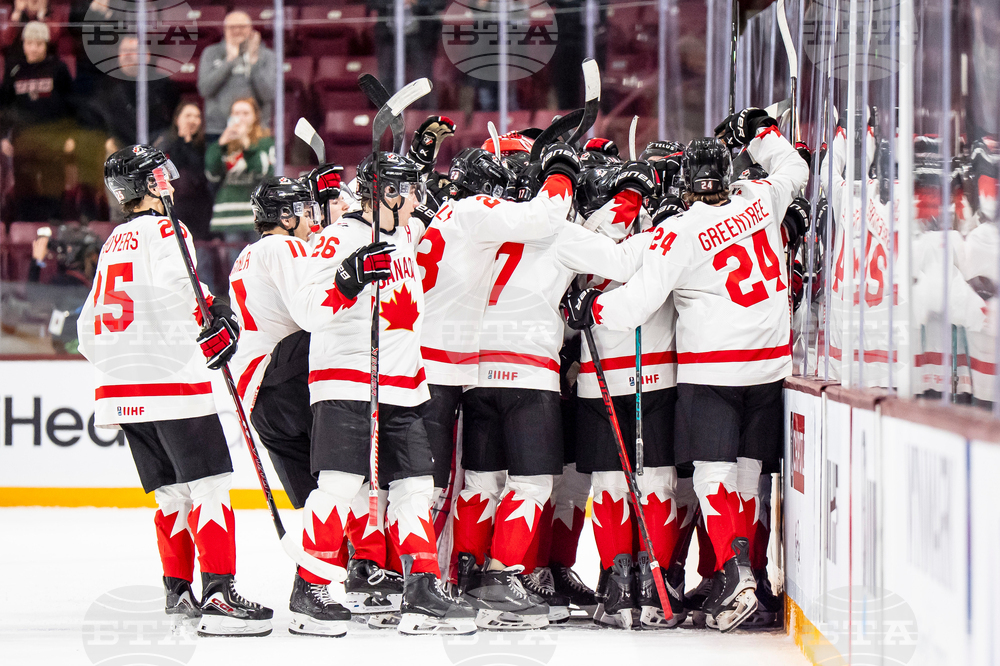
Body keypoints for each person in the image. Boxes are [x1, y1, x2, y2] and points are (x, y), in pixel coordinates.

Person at [562, 108, 809, 632]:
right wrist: (761, 133)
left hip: (712, 371)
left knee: (713, 478)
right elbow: (795, 169)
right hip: (770, 367)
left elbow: (635, 305)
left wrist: (590, 308)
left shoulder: (680, 230)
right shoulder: (760, 198)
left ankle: (735, 574)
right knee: (750, 477)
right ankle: (747, 579)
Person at [76, 144, 272, 636]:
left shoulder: (112, 242)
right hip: (171, 382)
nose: (170, 184)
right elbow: (179, 290)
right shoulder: (169, 229)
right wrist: (212, 313)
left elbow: (86, 328)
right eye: (158, 178)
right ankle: (220, 593)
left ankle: (178, 589)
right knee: (210, 486)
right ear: (140, 188)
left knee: (169, 495)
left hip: (121, 392)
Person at [291, 151, 477, 636]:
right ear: (388, 194)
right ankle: (308, 588)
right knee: (339, 486)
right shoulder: (337, 238)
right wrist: (349, 279)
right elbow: (308, 309)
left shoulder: (404, 234)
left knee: (416, 488)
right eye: (408, 189)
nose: (417, 198)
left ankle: (421, 589)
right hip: (348, 381)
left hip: (404, 385)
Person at [0, 21, 74, 221]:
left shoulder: (58, 68)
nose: (33, 48)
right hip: (23, 138)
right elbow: (4, 105)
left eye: (38, 44)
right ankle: (26, 225)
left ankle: (54, 224)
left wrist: (70, 136)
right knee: (24, 186)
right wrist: (3, 137)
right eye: (29, 43)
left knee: (53, 183)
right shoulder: (14, 69)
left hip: (53, 136)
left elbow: (71, 103)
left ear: (46, 44)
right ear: (23, 44)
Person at [90, 36, 178, 154]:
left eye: (133, 51)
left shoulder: (162, 84)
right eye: (124, 51)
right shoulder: (106, 86)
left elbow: (172, 120)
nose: (127, 55)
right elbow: (97, 119)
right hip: (118, 151)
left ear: (146, 56)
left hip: (155, 149)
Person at [197, 10, 275, 142]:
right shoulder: (211, 53)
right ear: (224, 30)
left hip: (257, 131)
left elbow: (268, 94)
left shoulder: (266, 56)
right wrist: (230, 62)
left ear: (251, 29)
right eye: (232, 27)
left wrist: (253, 63)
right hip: (218, 130)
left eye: (242, 27)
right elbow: (204, 89)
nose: (237, 31)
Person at [205, 97, 275, 239]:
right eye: (236, 113)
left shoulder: (266, 141)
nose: (240, 118)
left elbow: (263, 171)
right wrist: (220, 145)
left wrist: (246, 144)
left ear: (255, 116)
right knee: (235, 260)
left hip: (256, 214)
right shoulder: (224, 143)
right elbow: (212, 174)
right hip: (229, 214)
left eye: (245, 113)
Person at [154, 102, 213, 241]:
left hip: (200, 207)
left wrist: (187, 142)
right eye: (188, 115)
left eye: (197, 116)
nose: (192, 120)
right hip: (176, 204)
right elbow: (175, 167)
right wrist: (182, 140)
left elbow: (200, 172)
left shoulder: (205, 147)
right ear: (177, 119)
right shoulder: (165, 144)